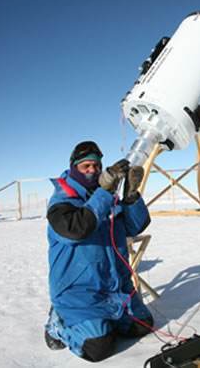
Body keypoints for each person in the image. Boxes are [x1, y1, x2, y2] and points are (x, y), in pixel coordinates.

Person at [44, 141, 153, 362]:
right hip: (78, 291)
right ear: (74, 168)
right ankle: (58, 323)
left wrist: (131, 196)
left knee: (142, 325)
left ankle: (103, 321)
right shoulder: (61, 202)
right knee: (98, 348)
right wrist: (104, 191)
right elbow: (77, 229)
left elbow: (135, 227)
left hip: (114, 287)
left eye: (96, 166)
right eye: (86, 166)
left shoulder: (107, 199)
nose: (92, 170)